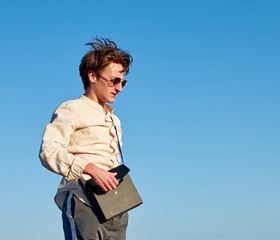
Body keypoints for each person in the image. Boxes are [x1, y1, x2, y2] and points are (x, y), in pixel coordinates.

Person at [39, 37, 133, 240]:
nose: (120, 88)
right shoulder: (71, 108)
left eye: (122, 81)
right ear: (92, 76)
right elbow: (48, 151)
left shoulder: (115, 120)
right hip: (83, 202)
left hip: (117, 207)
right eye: (114, 80)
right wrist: (90, 168)